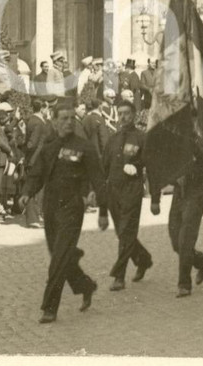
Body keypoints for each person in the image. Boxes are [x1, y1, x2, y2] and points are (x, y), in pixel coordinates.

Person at [19, 100, 104, 324]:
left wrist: (102, 206)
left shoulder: (84, 147)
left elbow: (98, 178)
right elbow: (37, 173)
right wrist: (27, 192)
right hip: (50, 209)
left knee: (58, 260)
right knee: (61, 256)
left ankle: (49, 308)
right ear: (55, 121)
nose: (68, 122)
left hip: (72, 209)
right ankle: (85, 285)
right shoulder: (49, 146)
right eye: (63, 118)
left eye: (71, 118)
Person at [100, 99, 158, 291]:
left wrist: (155, 198)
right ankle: (144, 260)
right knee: (123, 233)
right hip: (113, 193)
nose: (123, 117)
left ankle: (119, 276)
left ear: (133, 115)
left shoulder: (142, 138)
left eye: (126, 113)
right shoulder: (113, 139)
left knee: (125, 233)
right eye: (120, 113)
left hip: (131, 192)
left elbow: (152, 167)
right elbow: (104, 168)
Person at [168, 135, 203, 298]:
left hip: (195, 193)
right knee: (175, 241)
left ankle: (184, 284)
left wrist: (190, 144)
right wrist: (174, 178)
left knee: (185, 239)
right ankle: (201, 261)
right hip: (179, 194)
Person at [21, 98, 51, 228]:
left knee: (37, 189)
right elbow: (32, 144)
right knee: (32, 189)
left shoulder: (35, 120)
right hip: (35, 160)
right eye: (47, 108)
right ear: (43, 108)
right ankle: (32, 219)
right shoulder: (38, 123)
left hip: (37, 160)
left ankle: (35, 216)